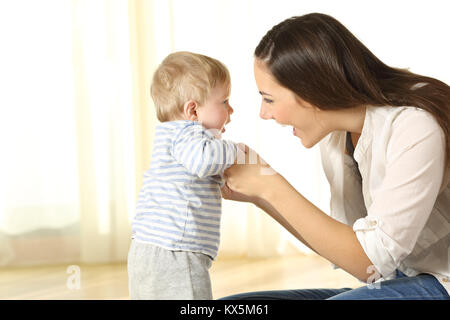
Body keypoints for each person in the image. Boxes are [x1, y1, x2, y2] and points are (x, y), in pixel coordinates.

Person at [220, 13, 450, 300]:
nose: (264, 114)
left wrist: (269, 184)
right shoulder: (336, 139)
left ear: (310, 91)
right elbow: (360, 263)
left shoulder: (414, 126)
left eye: (268, 99)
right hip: (398, 279)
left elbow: (369, 261)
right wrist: (258, 195)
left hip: (442, 281)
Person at [127, 51, 238, 299]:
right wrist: (235, 150)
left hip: (148, 246)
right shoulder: (187, 133)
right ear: (193, 111)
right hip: (176, 250)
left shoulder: (172, 136)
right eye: (224, 101)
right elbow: (203, 162)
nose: (231, 110)